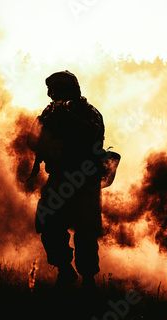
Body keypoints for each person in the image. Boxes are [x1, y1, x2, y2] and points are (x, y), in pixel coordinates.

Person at [27, 71, 105, 293]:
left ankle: (89, 280)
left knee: (86, 232)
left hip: (85, 181)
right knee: (49, 226)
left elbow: (92, 136)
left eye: (58, 90)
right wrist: (46, 121)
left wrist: (67, 116)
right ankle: (64, 269)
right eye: (52, 92)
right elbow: (32, 141)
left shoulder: (89, 113)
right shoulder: (50, 113)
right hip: (59, 179)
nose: (53, 95)